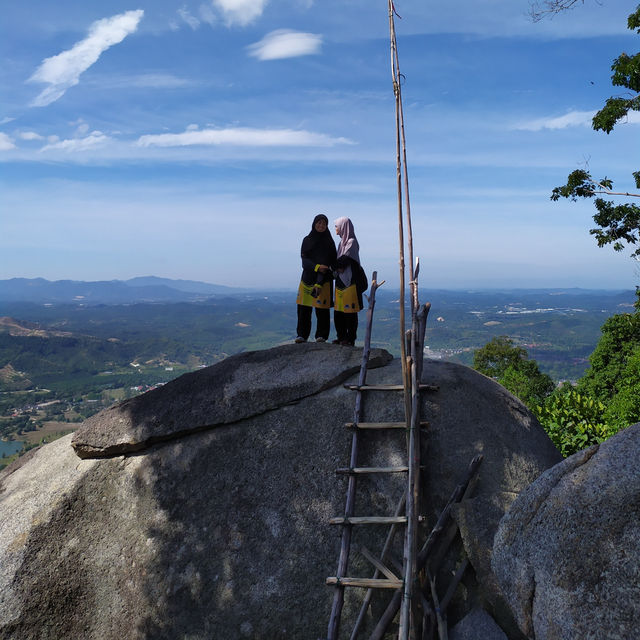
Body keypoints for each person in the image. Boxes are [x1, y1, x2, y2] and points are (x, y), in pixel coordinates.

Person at [295, 214, 337, 343]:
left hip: (324, 280)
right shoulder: (307, 240)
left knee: (322, 310)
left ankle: (322, 336)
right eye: (319, 223)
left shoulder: (329, 242)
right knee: (303, 309)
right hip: (307, 278)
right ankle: (301, 335)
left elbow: (331, 261)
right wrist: (317, 267)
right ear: (314, 224)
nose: (321, 226)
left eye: (324, 224)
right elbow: (304, 261)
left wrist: (322, 275)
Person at [333, 216, 365, 346]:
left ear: (343, 227)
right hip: (340, 281)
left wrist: (333, 265)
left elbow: (343, 260)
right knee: (339, 311)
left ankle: (350, 339)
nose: (335, 228)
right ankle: (341, 337)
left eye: (337, 226)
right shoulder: (341, 243)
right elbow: (337, 263)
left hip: (350, 282)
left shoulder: (351, 242)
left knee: (350, 313)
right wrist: (335, 266)